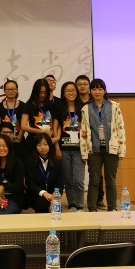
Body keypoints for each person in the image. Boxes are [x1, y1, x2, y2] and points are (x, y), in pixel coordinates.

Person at [81, 78, 126, 212]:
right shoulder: (86, 109)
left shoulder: (114, 106)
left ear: (104, 91)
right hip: (94, 150)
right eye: (94, 89)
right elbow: (83, 132)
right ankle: (92, 208)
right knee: (94, 181)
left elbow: (121, 128)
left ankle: (112, 208)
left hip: (111, 149)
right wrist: (84, 152)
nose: (97, 92)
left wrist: (122, 150)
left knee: (110, 181)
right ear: (90, 91)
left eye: (100, 89)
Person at [76, 74, 105, 209]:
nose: (82, 86)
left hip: (93, 141)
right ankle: (77, 201)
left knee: (96, 172)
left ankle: (99, 198)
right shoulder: (74, 101)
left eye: (85, 84)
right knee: (77, 173)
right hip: (75, 140)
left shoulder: (95, 102)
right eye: (79, 84)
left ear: (89, 87)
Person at [59, 81, 86, 212]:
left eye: (73, 90)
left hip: (79, 149)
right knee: (68, 179)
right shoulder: (60, 109)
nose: (71, 93)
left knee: (79, 180)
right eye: (68, 91)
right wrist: (57, 148)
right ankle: (72, 204)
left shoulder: (83, 108)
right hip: (64, 149)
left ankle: (80, 205)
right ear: (63, 94)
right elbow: (56, 129)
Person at [25, 133, 63, 213]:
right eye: (39, 145)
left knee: (56, 209)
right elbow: (30, 184)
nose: (42, 147)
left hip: (52, 195)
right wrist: (44, 193)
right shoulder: (30, 162)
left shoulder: (57, 163)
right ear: (35, 147)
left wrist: (54, 199)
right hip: (35, 195)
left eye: (45, 144)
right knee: (42, 202)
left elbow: (60, 184)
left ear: (50, 145)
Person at [20, 78, 60, 155]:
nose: (43, 95)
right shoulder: (28, 105)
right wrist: (42, 131)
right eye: (40, 92)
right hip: (33, 141)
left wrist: (57, 142)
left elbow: (57, 126)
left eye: (45, 92)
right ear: (35, 92)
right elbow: (23, 126)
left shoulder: (53, 105)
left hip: (49, 141)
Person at [0, 135, 25, 214]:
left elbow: (19, 184)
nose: (1, 148)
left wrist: (3, 187)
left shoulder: (17, 162)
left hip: (13, 197)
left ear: (9, 147)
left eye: (4, 146)